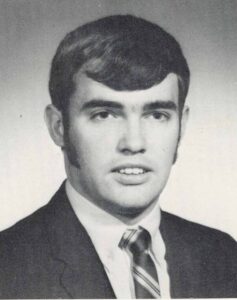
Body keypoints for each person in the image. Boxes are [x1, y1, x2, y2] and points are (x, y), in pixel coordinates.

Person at [0, 14, 237, 299]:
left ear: (181, 126)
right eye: (104, 114)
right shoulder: (8, 266)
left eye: (157, 115)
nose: (134, 143)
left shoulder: (224, 255)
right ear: (59, 127)